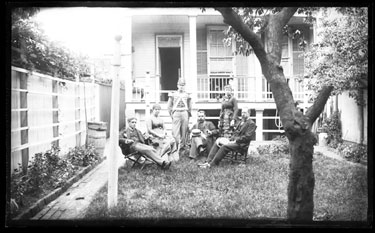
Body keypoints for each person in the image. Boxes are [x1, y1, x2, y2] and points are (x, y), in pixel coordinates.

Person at [167, 76, 192, 155]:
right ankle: (175, 150)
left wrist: (188, 114)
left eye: (183, 85)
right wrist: (172, 114)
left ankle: (182, 150)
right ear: (177, 85)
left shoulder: (187, 95)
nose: (182, 86)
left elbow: (190, 106)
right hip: (176, 113)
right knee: (175, 133)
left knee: (184, 133)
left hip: (184, 112)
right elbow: (169, 106)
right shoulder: (173, 94)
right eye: (180, 85)